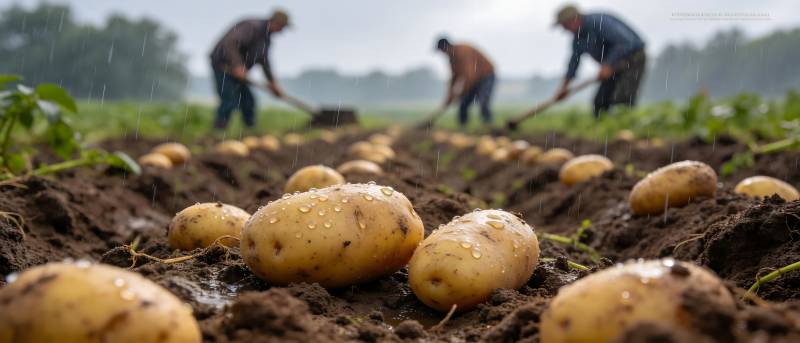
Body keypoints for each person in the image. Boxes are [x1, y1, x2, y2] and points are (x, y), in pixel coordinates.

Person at [553, 4, 646, 117]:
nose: (565, 30)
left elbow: (625, 43)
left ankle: (625, 129)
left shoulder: (599, 22)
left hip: (633, 59)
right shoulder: (578, 38)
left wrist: (607, 64)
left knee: (623, 100)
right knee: (600, 104)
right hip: (611, 67)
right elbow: (574, 63)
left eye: (565, 26)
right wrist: (564, 87)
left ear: (575, 19)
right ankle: (602, 130)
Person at [209, 10, 289, 130]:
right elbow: (230, 43)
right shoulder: (252, 27)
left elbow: (264, 61)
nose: (281, 31)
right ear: (275, 23)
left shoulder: (265, 39)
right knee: (229, 99)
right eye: (282, 27)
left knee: (249, 101)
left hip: (239, 72)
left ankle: (250, 131)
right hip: (224, 67)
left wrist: (273, 83)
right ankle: (218, 133)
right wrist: (237, 65)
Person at [435, 37, 496, 127]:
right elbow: (454, 78)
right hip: (473, 79)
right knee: (463, 103)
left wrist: (460, 93)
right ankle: (463, 126)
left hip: (486, 75)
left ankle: (488, 125)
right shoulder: (452, 58)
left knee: (483, 102)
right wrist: (449, 97)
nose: (442, 54)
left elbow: (470, 75)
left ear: (446, 47)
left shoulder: (463, 51)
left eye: (442, 51)